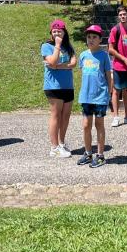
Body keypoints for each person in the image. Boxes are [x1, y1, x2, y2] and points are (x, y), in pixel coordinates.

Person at [76, 25, 113, 168]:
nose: (91, 40)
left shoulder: (104, 55)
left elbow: (108, 76)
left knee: (99, 125)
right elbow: (84, 75)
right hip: (86, 97)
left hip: (100, 97)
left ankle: (100, 155)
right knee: (86, 125)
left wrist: (109, 92)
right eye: (89, 37)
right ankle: (87, 153)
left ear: (100, 39)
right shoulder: (83, 55)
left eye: (94, 37)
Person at [41, 19, 77, 157]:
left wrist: (59, 67)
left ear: (64, 32)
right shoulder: (46, 46)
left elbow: (73, 63)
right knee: (56, 115)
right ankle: (54, 147)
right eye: (54, 31)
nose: (57, 33)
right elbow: (52, 61)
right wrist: (57, 45)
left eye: (59, 31)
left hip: (68, 85)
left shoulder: (68, 46)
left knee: (66, 116)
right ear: (51, 33)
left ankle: (62, 143)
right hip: (53, 86)